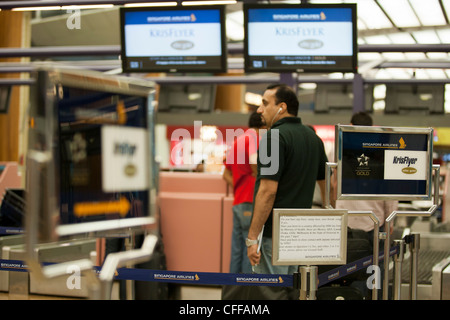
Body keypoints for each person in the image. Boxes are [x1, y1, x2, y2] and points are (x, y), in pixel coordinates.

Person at [246, 84, 328, 275]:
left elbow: (268, 191)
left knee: (271, 292)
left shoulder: (273, 137)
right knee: (294, 291)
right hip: (300, 234)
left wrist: (252, 237)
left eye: (265, 104)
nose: (259, 110)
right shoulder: (313, 139)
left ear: (281, 107)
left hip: (273, 235)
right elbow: (328, 187)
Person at [335, 111, 398, 243]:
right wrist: (390, 220)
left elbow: (333, 185)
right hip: (375, 221)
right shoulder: (381, 153)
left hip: (345, 221)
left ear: (350, 126)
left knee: (346, 264)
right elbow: (389, 190)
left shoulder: (338, 152)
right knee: (375, 263)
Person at [223, 111, 266, 273]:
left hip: (239, 201)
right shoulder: (255, 138)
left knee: (236, 250)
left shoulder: (237, 141)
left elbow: (225, 174)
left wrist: (238, 185)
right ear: (263, 126)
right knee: (250, 250)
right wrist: (258, 173)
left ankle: (232, 290)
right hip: (251, 201)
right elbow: (254, 161)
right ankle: (247, 291)